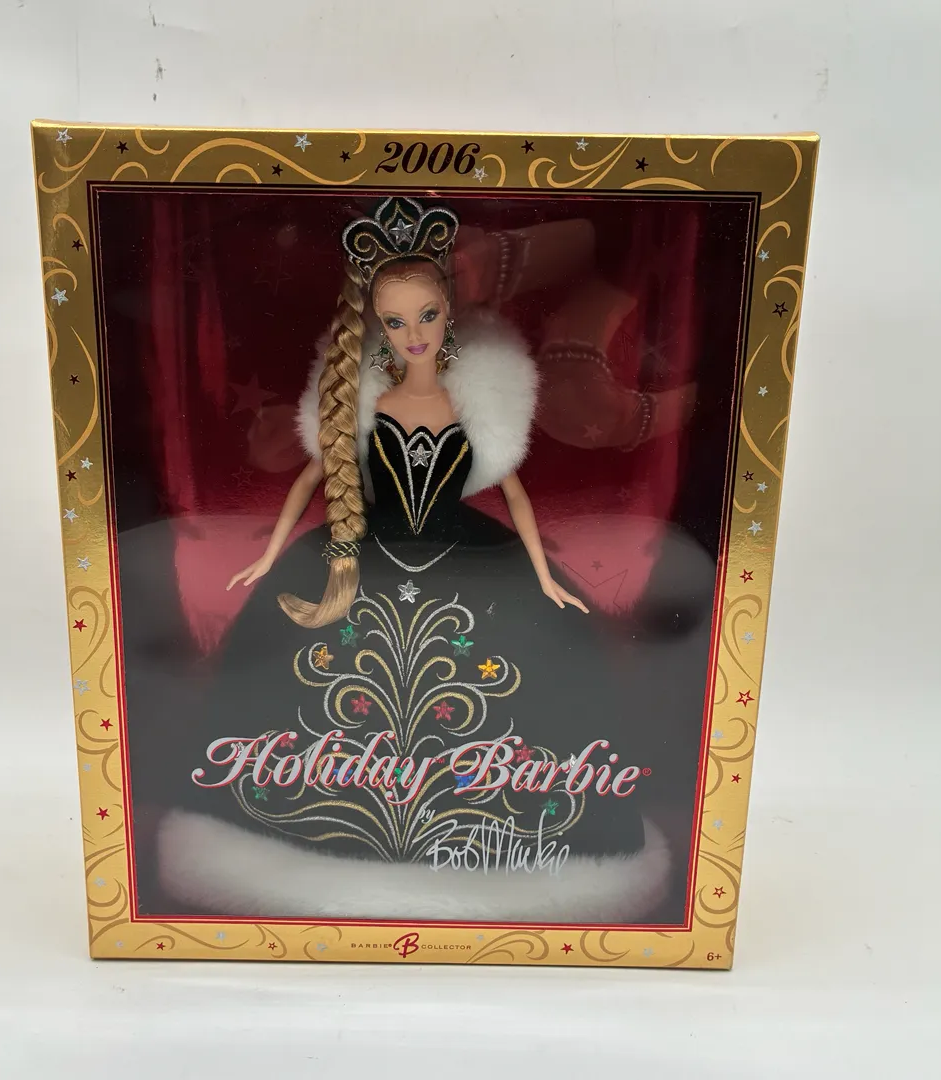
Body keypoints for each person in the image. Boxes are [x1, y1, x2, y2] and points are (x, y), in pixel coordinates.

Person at [154, 197, 671, 923]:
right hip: (356, 550)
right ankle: (298, 822)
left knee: (535, 657)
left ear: (448, 318)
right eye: (395, 322)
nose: (413, 334)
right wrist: (268, 555)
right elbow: (311, 481)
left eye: (426, 317)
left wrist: (542, 575)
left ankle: (511, 830)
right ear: (376, 325)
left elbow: (515, 496)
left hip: (474, 554)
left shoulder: (477, 401)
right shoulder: (361, 401)